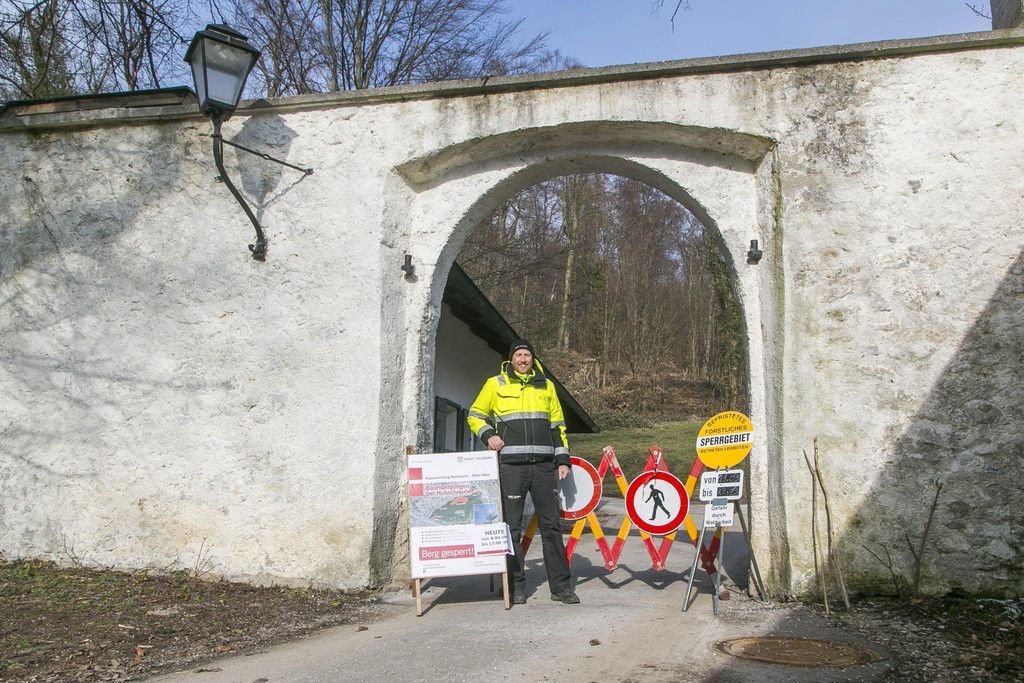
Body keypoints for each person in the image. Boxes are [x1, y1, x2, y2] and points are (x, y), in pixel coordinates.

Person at [467, 339, 580, 605]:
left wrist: (563, 460)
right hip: (511, 467)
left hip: (543, 467)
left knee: (552, 527)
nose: (523, 359)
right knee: (512, 528)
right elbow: (474, 415)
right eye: (518, 355)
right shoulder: (495, 384)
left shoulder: (547, 386)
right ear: (511, 359)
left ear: (532, 359)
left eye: (527, 355)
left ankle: (561, 588)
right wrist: (489, 435)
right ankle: (515, 587)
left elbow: (558, 426)